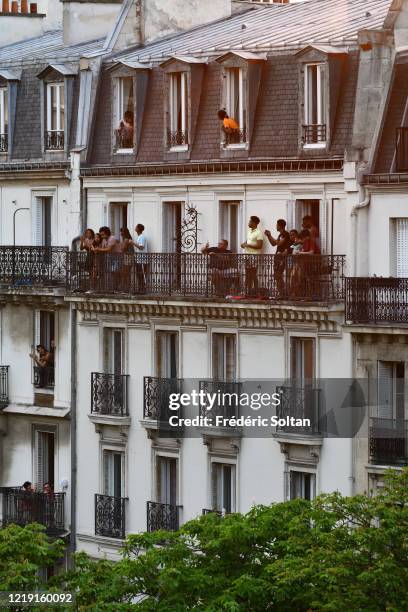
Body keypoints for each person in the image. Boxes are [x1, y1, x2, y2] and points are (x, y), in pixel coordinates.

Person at [265, 219, 291, 298]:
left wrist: (270, 235)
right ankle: (281, 293)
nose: (276, 226)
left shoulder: (285, 234)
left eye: (277, 225)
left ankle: (282, 293)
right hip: (278, 257)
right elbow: (273, 243)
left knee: (278, 275)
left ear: (280, 226)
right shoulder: (280, 235)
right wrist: (269, 236)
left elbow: (279, 243)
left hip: (281, 258)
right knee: (277, 275)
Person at [241, 216, 263, 296]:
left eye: (250, 221)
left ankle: (256, 291)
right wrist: (244, 244)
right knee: (247, 274)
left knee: (253, 274)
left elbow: (259, 245)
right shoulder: (249, 231)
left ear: (254, 223)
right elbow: (248, 241)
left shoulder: (259, 233)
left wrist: (248, 245)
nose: (248, 223)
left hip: (254, 256)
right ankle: (248, 291)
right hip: (247, 255)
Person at [129, 224, 148, 293]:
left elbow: (141, 247)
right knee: (139, 274)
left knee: (141, 274)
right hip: (138, 258)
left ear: (138, 229)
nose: (135, 228)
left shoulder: (142, 237)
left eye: (136, 227)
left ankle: (143, 289)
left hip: (142, 259)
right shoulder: (139, 237)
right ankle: (140, 289)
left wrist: (132, 243)